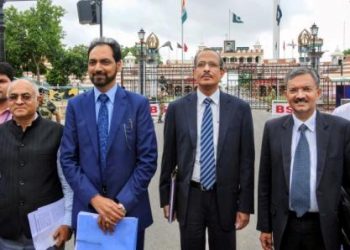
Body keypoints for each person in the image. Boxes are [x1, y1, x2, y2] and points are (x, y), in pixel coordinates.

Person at [60, 37, 157, 250]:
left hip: (128, 212)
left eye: (105, 61)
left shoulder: (138, 104)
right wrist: (95, 199)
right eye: (92, 62)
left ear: (118, 65)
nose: (97, 68)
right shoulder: (76, 106)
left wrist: (119, 205)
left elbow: (147, 160)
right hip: (88, 211)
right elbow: (67, 159)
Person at [159, 48, 255, 250]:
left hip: (225, 197)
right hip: (190, 196)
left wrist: (245, 205)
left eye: (212, 65)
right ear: (194, 72)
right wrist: (166, 198)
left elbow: (247, 162)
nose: (206, 69)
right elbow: (168, 157)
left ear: (222, 72)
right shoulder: (177, 109)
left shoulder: (240, 109)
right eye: (201, 65)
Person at [257, 67, 350, 250]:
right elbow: (265, 183)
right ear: (286, 94)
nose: (300, 95)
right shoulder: (273, 129)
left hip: (326, 226)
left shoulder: (340, 129)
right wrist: (265, 226)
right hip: (285, 226)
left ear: (318, 92)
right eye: (293, 90)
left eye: (306, 89)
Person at [0, 79, 73, 249]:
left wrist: (68, 222)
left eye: (26, 96)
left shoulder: (58, 133)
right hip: (6, 233)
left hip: (47, 233)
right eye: (13, 97)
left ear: (38, 99)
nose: (19, 101)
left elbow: (68, 183)